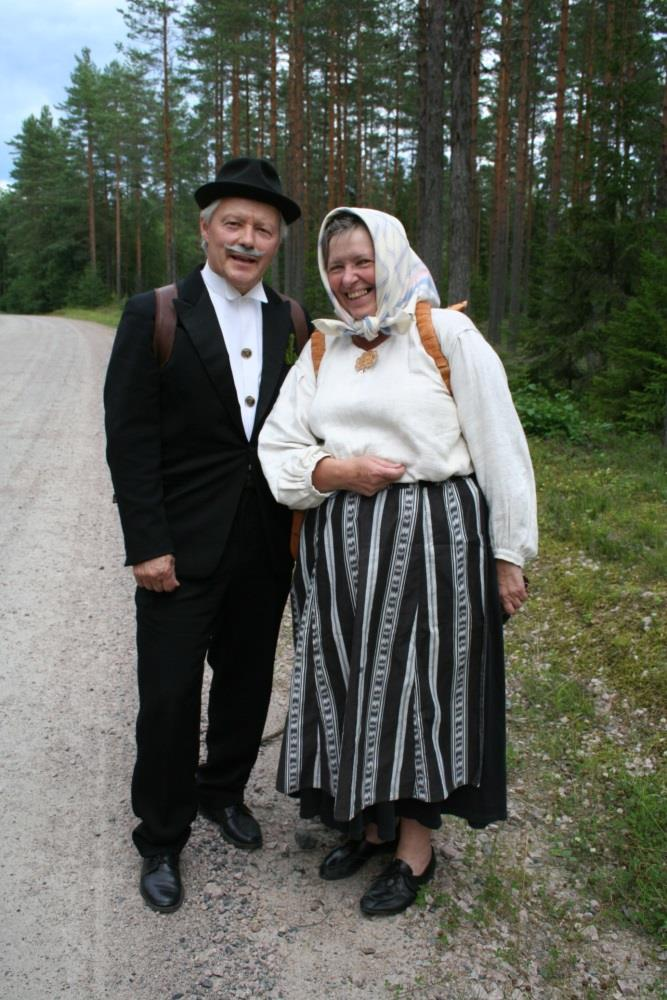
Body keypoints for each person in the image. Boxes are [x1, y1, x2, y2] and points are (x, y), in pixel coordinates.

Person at [258, 207, 537, 917]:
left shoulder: (443, 334)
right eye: (335, 266)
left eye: (361, 261)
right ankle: (366, 822)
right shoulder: (324, 351)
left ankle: (413, 847)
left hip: (435, 546)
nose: (349, 279)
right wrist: (333, 472)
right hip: (339, 551)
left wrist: (509, 555)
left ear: (389, 257)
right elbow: (278, 446)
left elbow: (501, 445)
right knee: (351, 686)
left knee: (420, 695)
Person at [104, 157, 308, 913]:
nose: (247, 239)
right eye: (234, 223)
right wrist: (144, 542)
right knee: (167, 696)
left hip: (263, 544)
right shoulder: (152, 312)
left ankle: (222, 791)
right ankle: (160, 837)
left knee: (248, 679)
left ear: (276, 241)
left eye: (262, 228)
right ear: (205, 228)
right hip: (178, 547)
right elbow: (128, 440)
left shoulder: (292, 321)